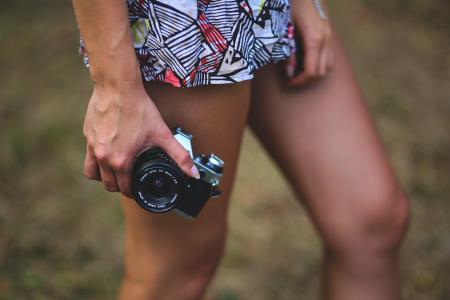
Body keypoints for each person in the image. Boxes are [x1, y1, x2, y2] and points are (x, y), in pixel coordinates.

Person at [72, 0, 410, 299]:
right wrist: (115, 85)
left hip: (268, 8)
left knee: (371, 222)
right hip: (182, 24)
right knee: (175, 271)